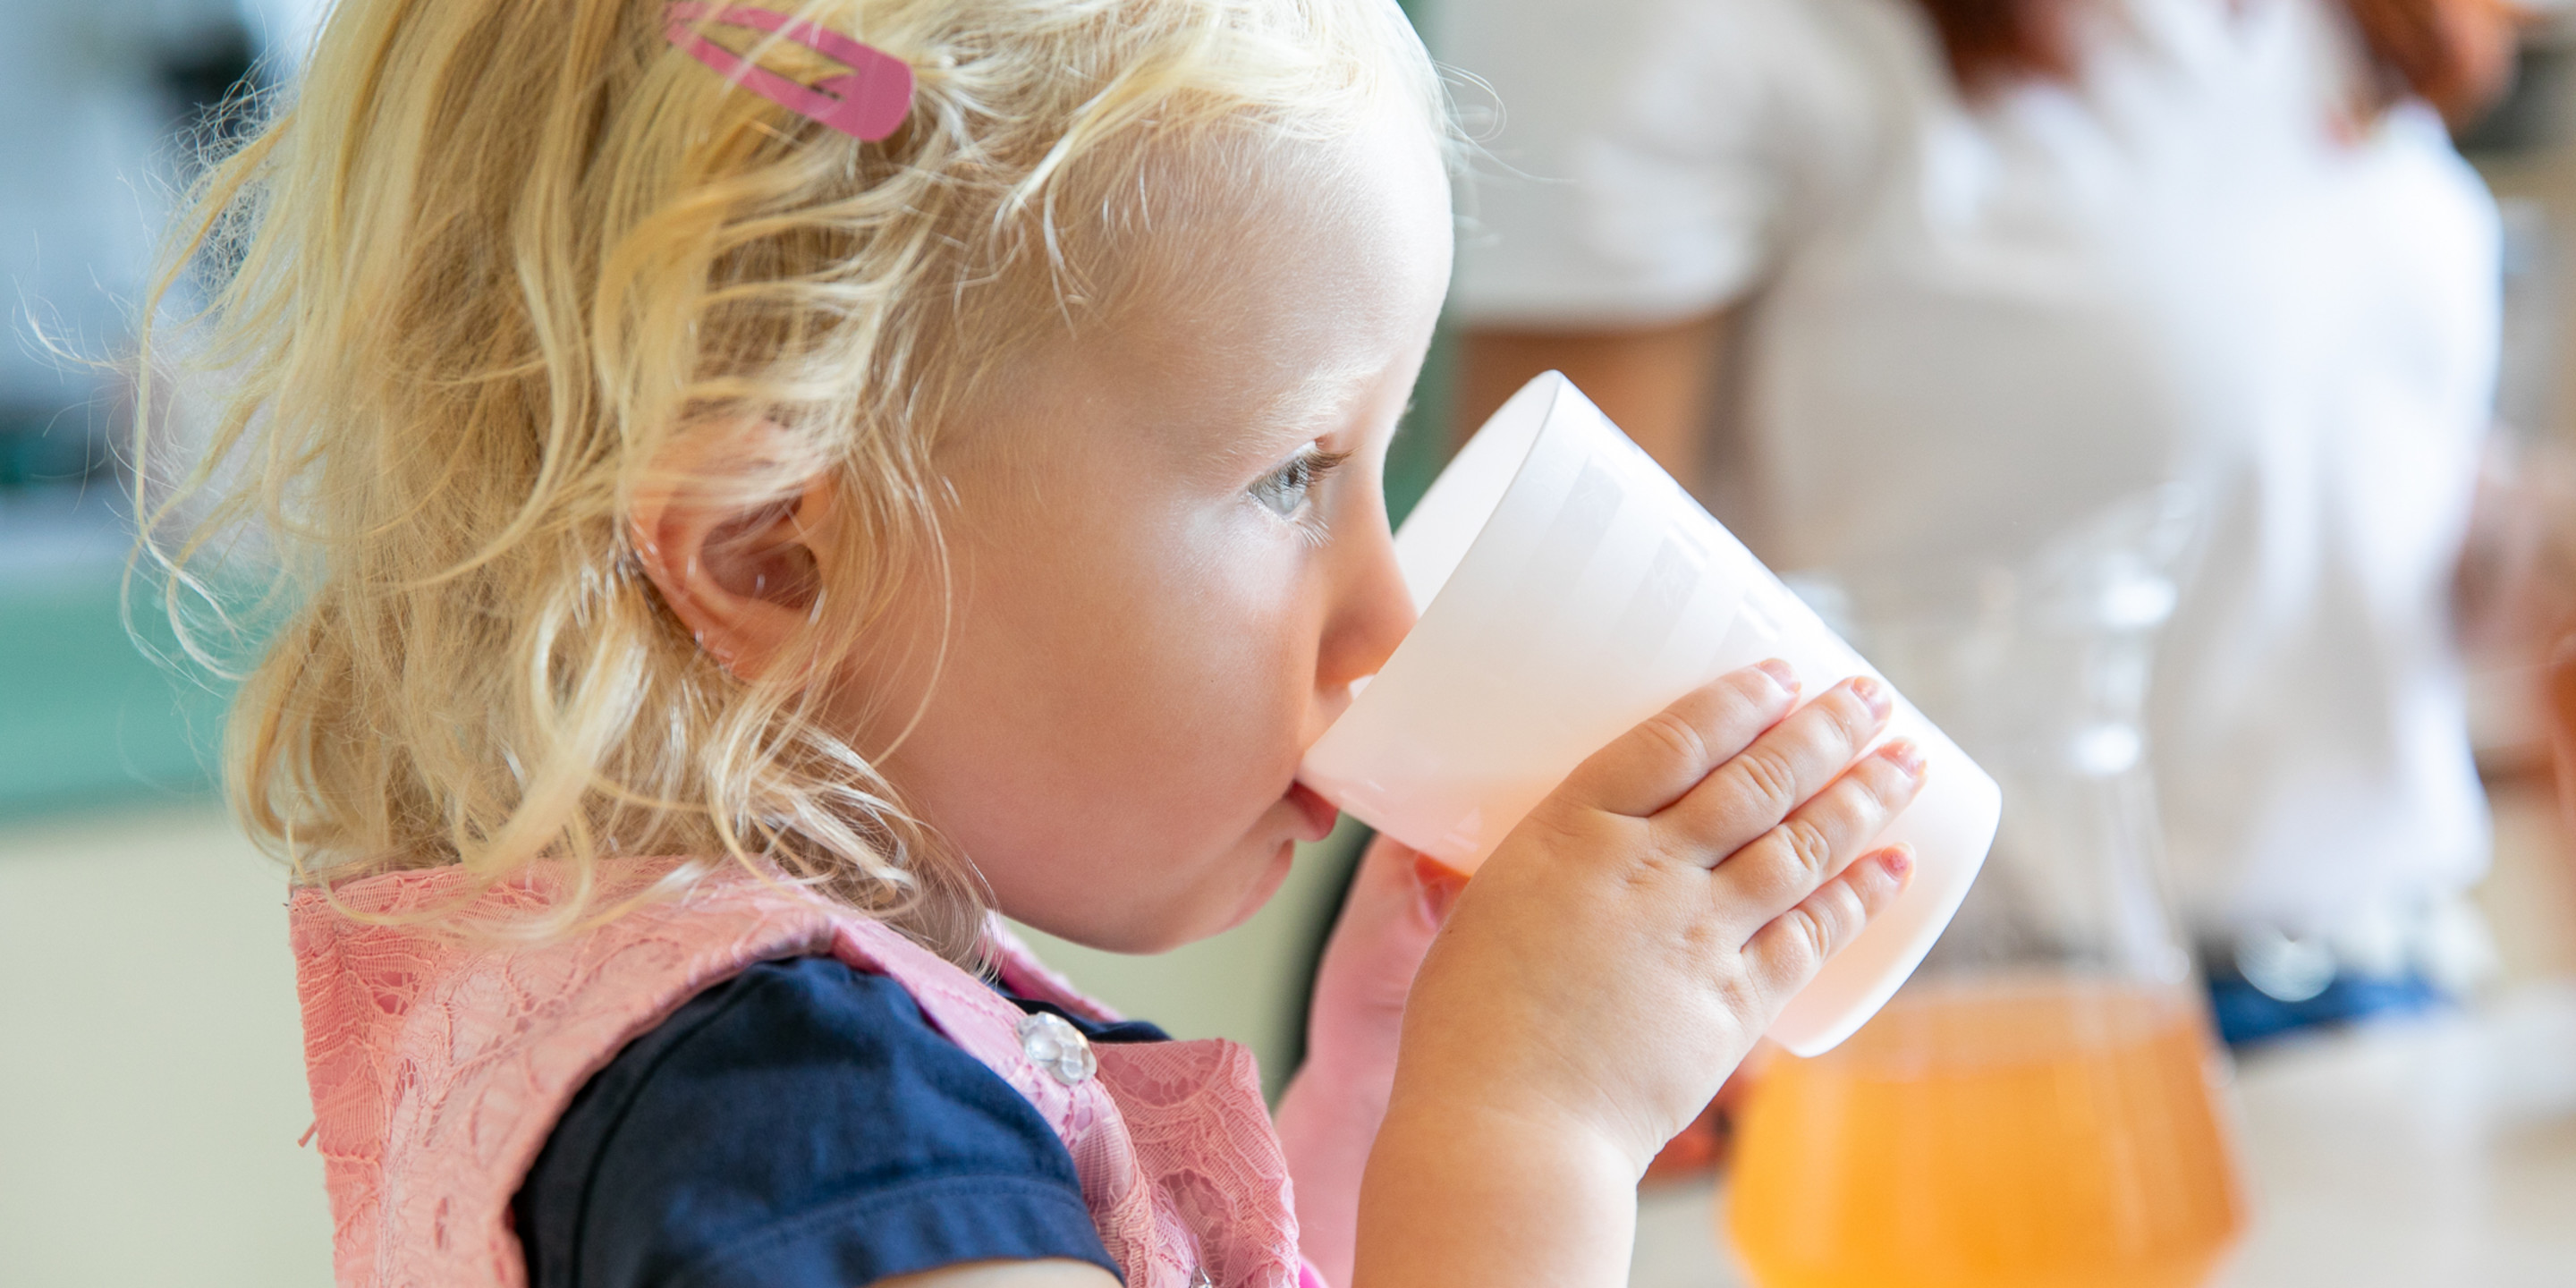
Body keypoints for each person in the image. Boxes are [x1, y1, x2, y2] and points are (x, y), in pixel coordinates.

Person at [138, 2, 1929, 1284]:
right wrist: (1526, 1141)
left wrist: (1384, 1100)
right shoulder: (802, 1131)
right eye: (1291, 475)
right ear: (776, 556)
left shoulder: (803, 1042)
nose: (1389, 616)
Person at [1439, 0, 2517, 1041]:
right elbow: (1552, 621)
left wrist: (2501, 534)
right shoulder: (1693, 28)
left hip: (2392, 985)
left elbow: (2270, 455)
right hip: (1966, 1031)